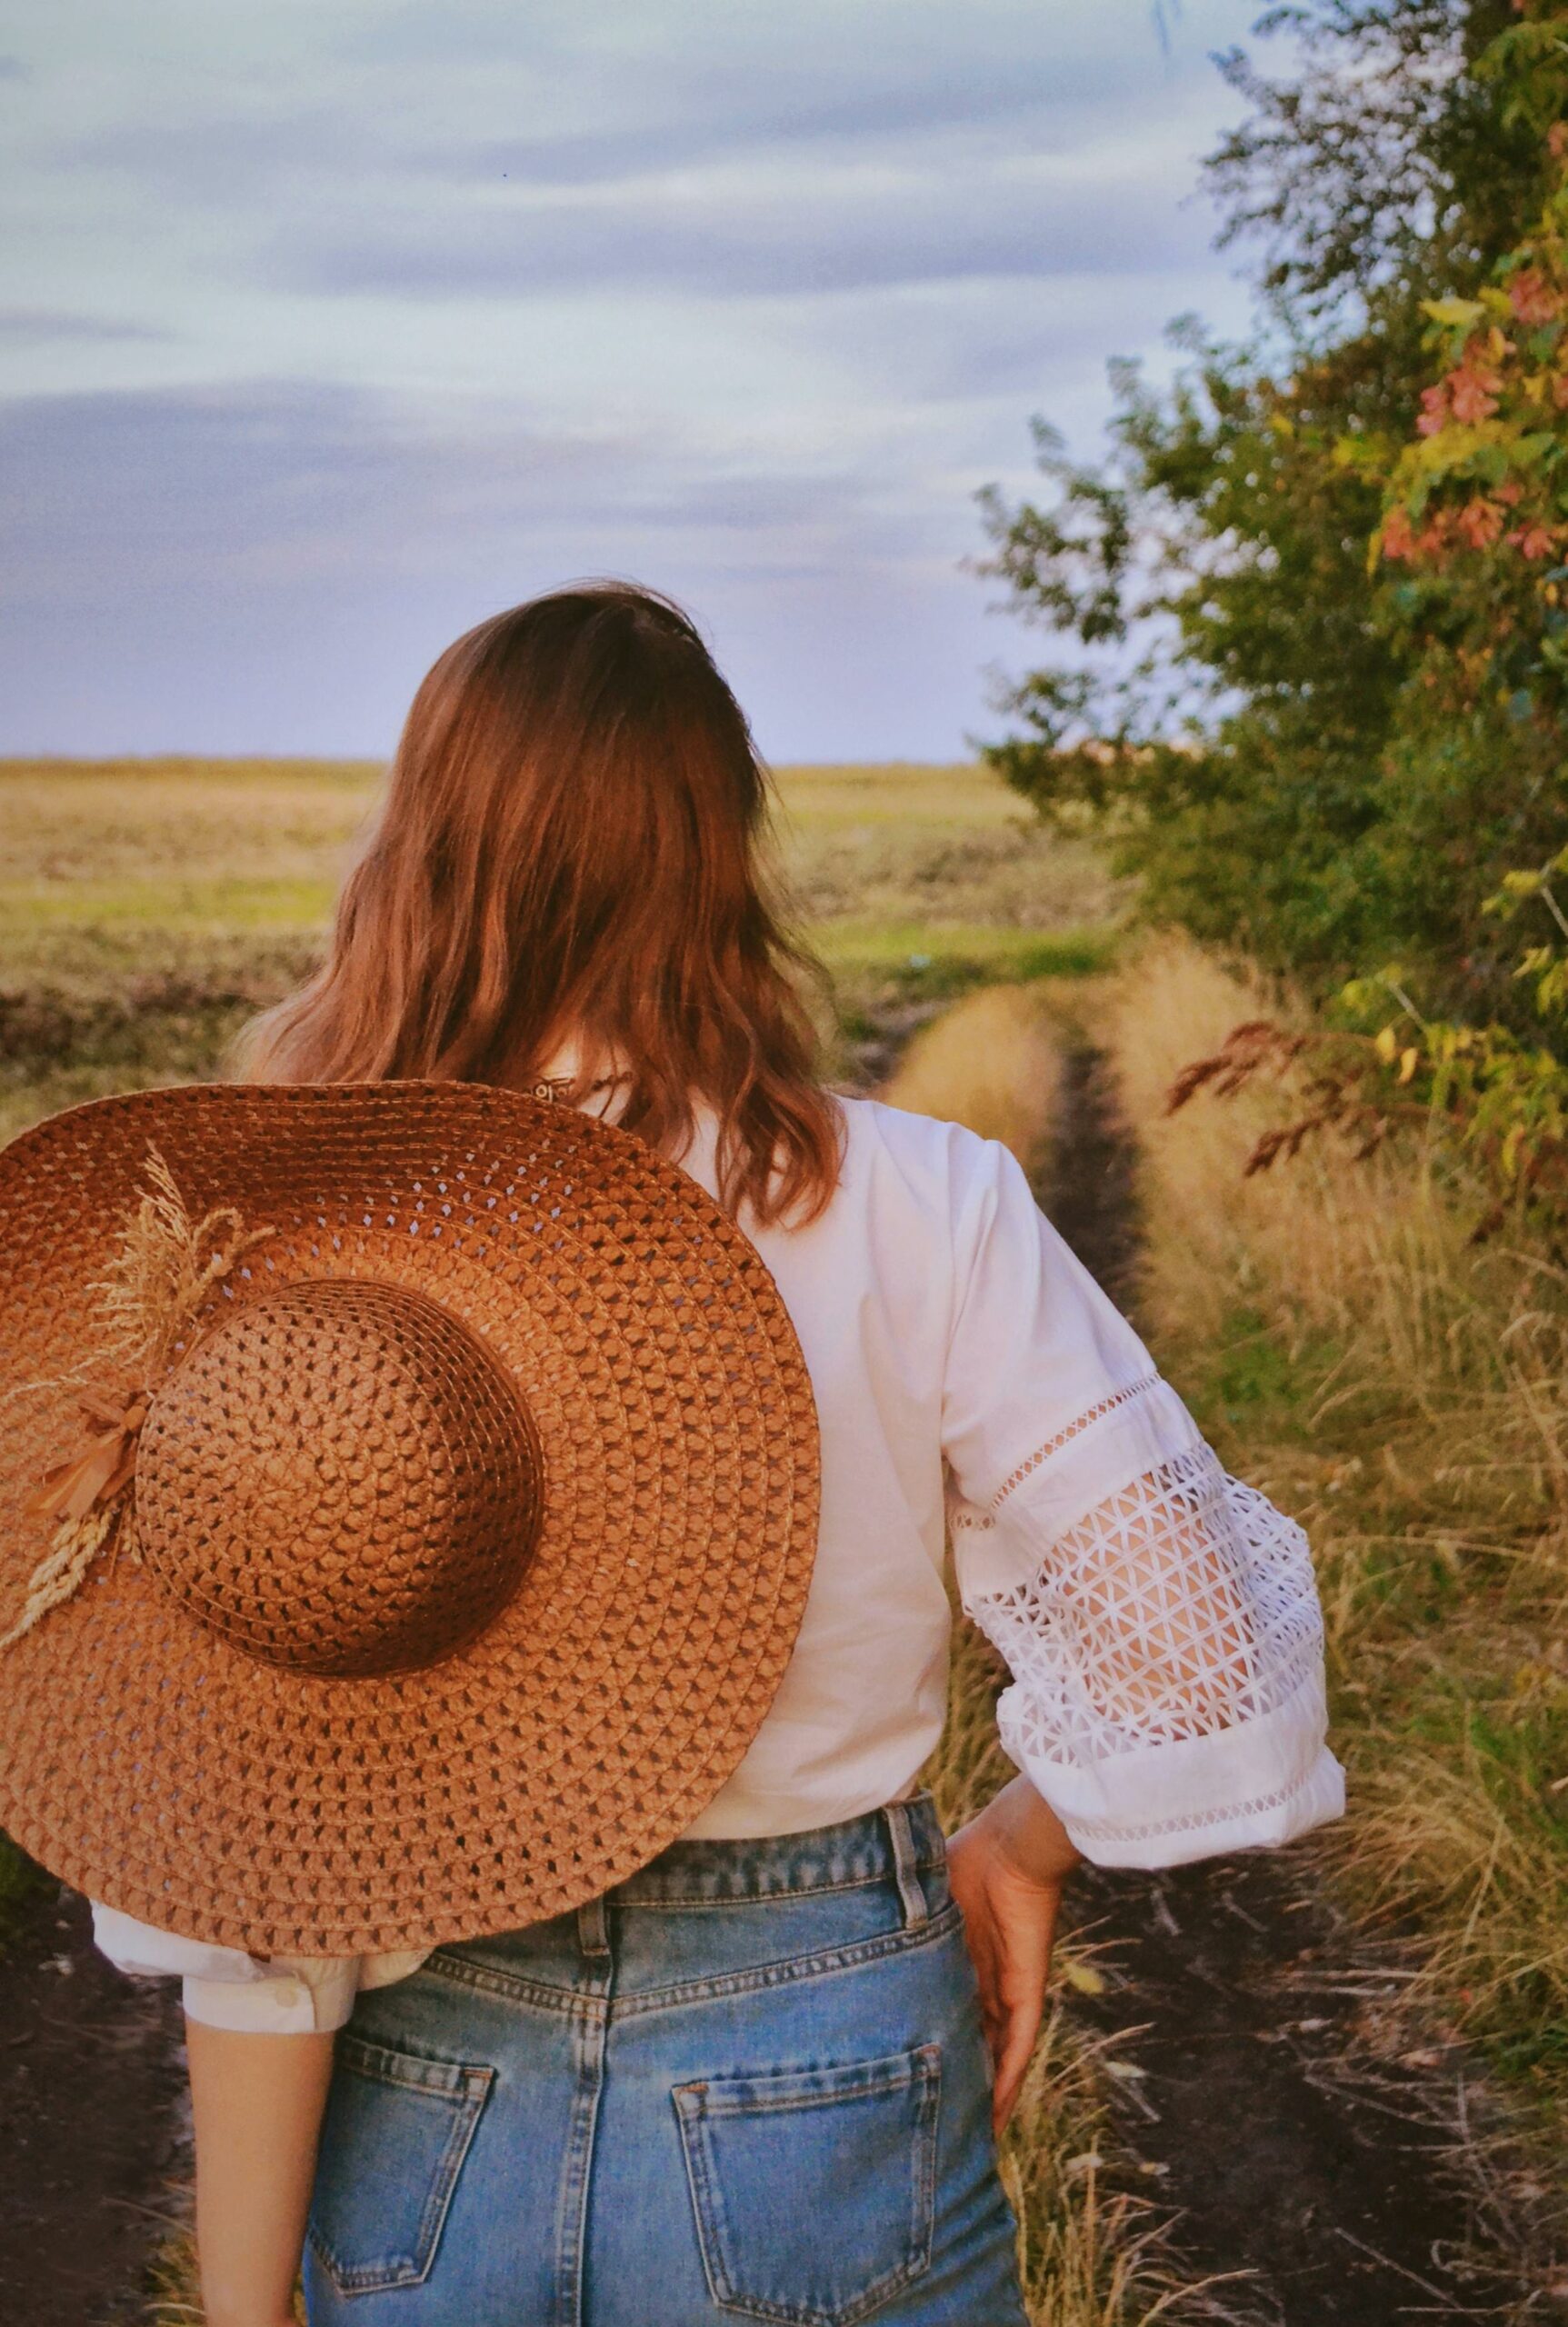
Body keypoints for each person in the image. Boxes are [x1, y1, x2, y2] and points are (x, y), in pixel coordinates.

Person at [65, 584, 1340, 2324]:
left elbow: (255, 1900)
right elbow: (1206, 1658)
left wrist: (241, 2311)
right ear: (717, 856)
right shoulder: (918, 1202)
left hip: (429, 2095)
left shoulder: (309, 1260)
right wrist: (1019, 1848)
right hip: (826, 2056)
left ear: (422, 851)